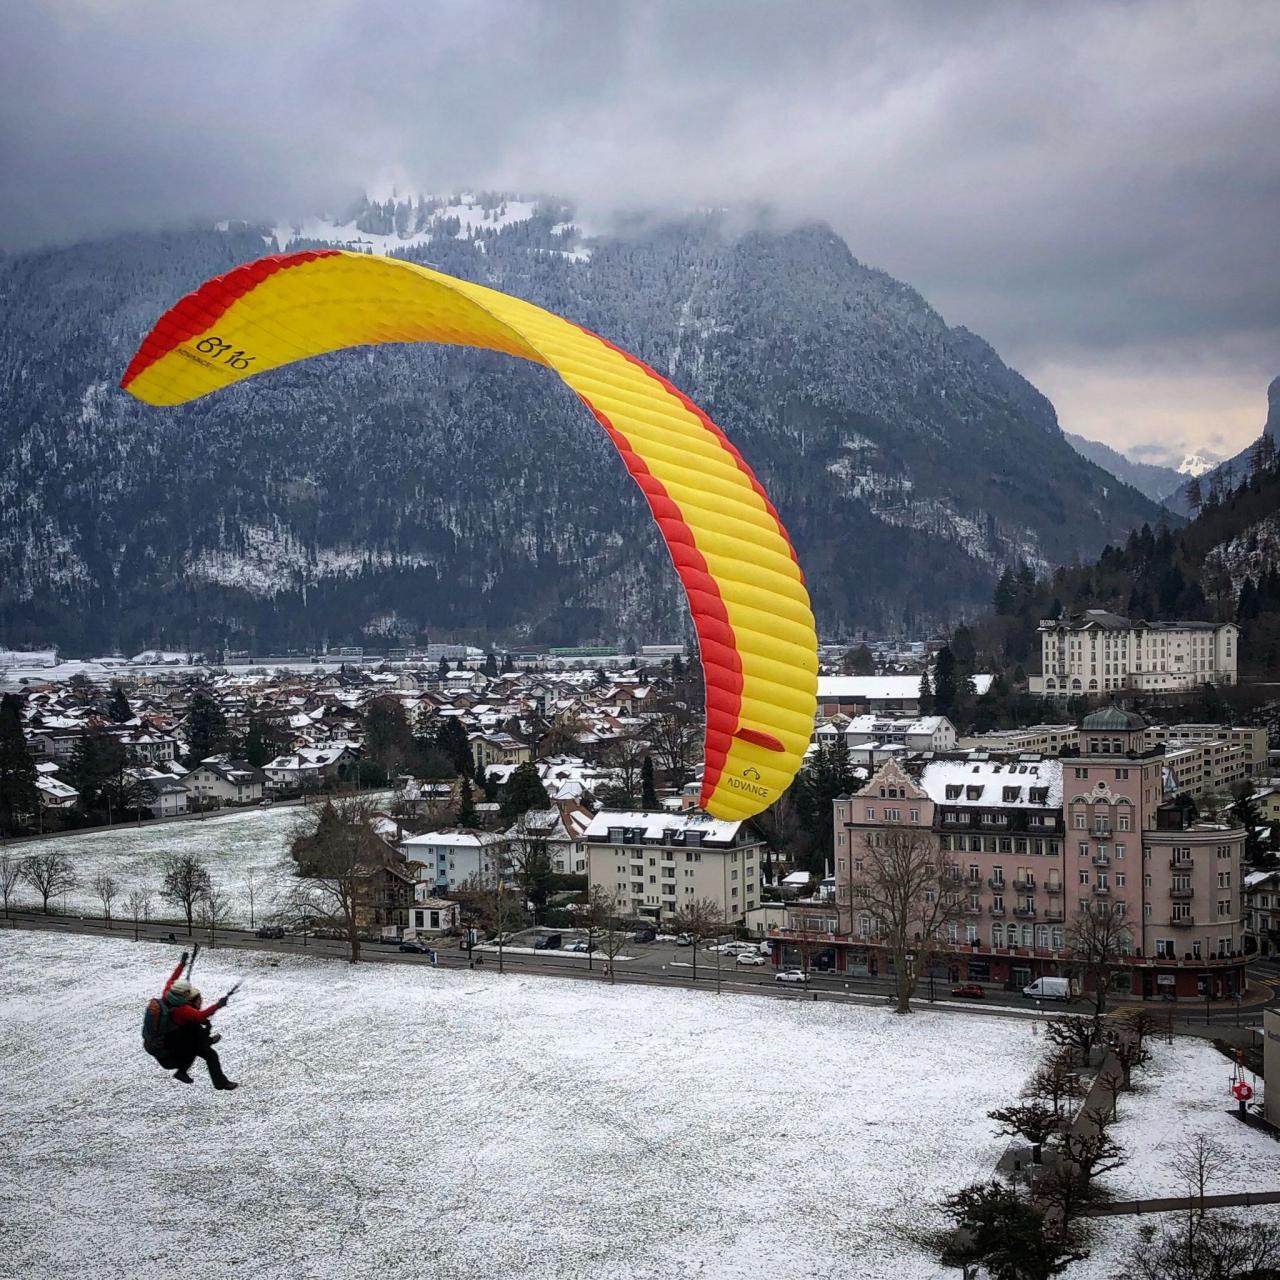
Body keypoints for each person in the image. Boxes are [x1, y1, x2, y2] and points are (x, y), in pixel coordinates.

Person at [152, 953, 238, 1090]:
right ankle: (214, 1080)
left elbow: (173, 978)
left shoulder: (167, 993)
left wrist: (182, 964)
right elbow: (201, 1016)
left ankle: (190, 1071)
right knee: (207, 1052)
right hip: (177, 1041)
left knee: (206, 1051)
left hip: (174, 1037)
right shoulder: (183, 1010)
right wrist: (219, 1005)